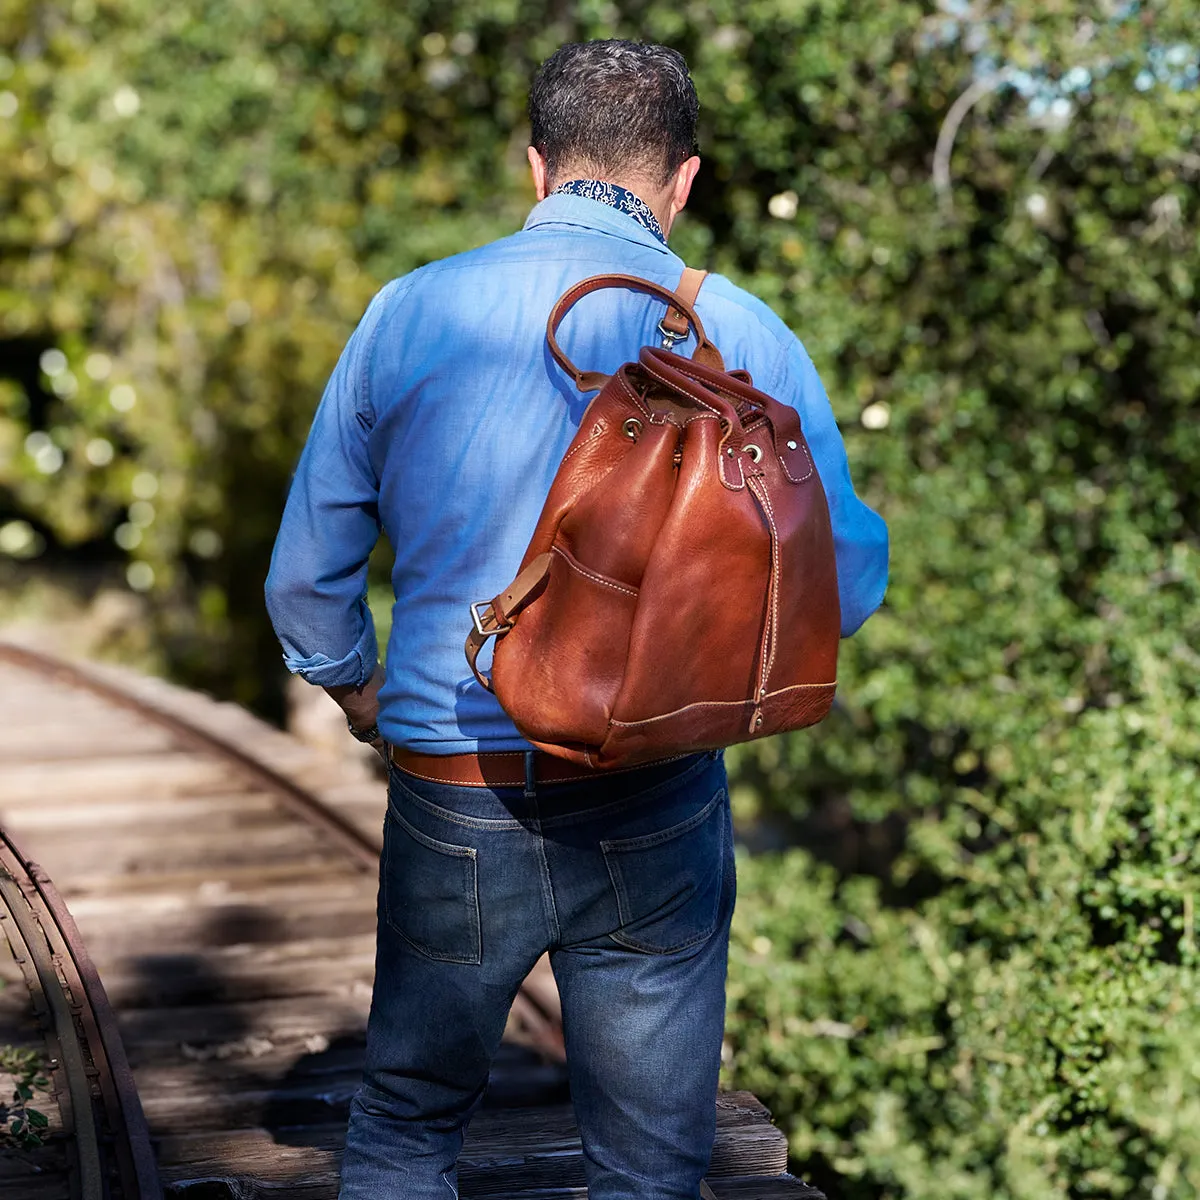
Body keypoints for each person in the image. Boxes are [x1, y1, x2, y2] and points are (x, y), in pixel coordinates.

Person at [265, 38, 888, 1200]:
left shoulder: (407, 313)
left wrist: (360, 695)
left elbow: (305, 576)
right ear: (684, 182)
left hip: (456, 781)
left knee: (404, 1131)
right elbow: (842, 591)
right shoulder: (742, 335)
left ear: (536, 168)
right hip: (656, 792)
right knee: (649, 1171)